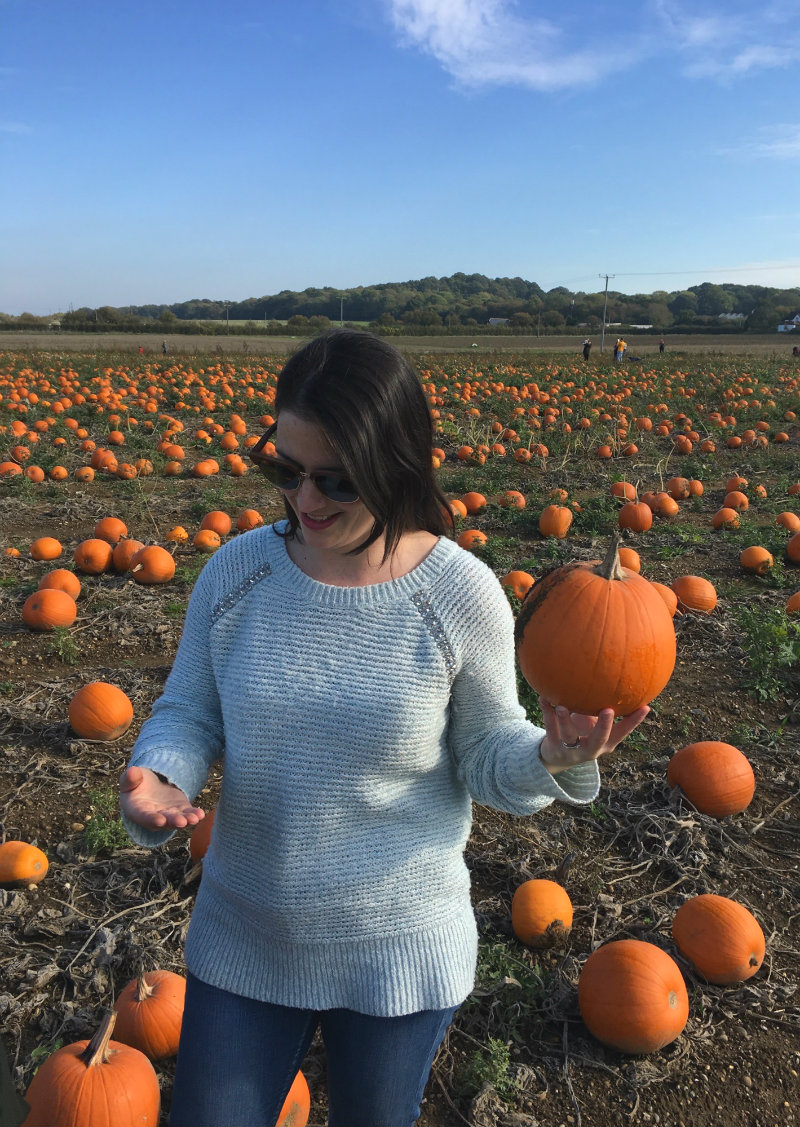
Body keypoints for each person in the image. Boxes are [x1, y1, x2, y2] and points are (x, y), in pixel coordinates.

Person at [119, 329, 648, 1127]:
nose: (304, 499)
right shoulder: (238, 572)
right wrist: (162, 774)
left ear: (398, 466)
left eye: (335, 478)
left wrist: (551, 755)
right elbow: (191, 711)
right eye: (286, 469)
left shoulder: (460, 594)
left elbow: (485, 750)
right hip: (247, 933)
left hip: (398, 947)